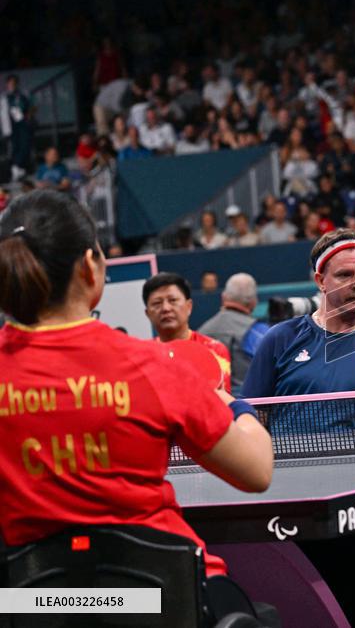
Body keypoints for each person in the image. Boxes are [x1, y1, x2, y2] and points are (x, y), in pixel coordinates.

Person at [0, 190, 272, 617]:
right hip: (163, 598)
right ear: (91, 267)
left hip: (31, 601)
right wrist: (237, 408)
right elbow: (257, 471)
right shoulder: (153, 364)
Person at [242, 230, 355, 431]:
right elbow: (252, 422)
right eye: (344, 275)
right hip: (294, 462)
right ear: (321, 281)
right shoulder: (280, 338)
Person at [143, 272, 233, 391]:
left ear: (189, 306)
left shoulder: (214, 350)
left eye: (173, 300)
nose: (166, 308)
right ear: (148, 313)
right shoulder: (142, 356)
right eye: (157, 303)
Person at [198, 273, 269, 391]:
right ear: (254, 302)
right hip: (251, 404)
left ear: (223, 297)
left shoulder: (201, 332)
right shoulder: (259, 332)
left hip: (211, 403)